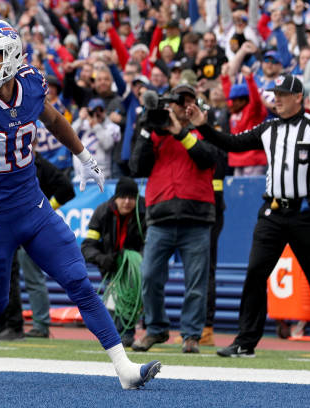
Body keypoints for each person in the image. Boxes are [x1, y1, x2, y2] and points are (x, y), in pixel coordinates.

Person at [0, 19, 161, 389]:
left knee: (80, 284)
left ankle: (124, 368)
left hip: (36, 211)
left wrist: (84, 156)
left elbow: (54, 119)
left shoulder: (31, 82)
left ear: (12, 55)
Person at [186, 74, 310, 360]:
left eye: (284, 94)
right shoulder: (269, 128)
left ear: (299, 97)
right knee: (254, 274)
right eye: (275, 94)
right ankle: (245, 342)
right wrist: (203, 128)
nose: (278, 99)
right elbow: (233, 143)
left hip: (304, 213)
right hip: (272, 212)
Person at [129, 85, 218, 354]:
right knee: (149, 276)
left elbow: (208, 158)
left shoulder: (204, 130)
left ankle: (191, 335)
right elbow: (136, 167)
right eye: (178, 102)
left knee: (196, 282)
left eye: (187, 101)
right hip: (160, 217)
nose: (182, 107)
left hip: (197, 217)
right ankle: (156, 329)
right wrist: (146, 127)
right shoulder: (154, 132)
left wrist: (180, 133)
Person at [0, 152, 76, 340]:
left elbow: (67, 189)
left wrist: (45, 208)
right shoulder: (10, 164)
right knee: (3, 275)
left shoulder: (40, 164)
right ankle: (2, 324)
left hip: (31, 229)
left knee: (31, 277)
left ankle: (38, 325)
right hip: (9, 226)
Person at [81, 177, 146, 348]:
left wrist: (135, 259)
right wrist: (103, 259)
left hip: (136, 271)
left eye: (131, 197)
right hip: (111, 269)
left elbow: (152, 246)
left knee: (129, 296)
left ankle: (128, 333)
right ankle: (118, 335)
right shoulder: (102, 212)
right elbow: (87, 246)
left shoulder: (145, 212)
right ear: (115, 197)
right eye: (123, 197)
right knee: (112, 307)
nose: (127, 201)